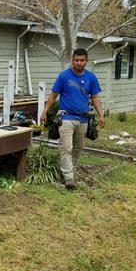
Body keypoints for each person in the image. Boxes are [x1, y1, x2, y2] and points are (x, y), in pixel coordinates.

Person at [40, 48, 105, 190]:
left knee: (77, 148)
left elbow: (95, 97)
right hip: (66, 117)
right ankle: (69, 178)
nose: (79, 63)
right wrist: (44, 112)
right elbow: (53, 95)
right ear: (72, 60)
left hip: (83, 119)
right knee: (66, 148)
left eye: (82, 60)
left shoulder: (91, 78)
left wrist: (101, 115)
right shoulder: (63, 76)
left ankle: (70, 172)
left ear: (86, 61)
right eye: (76, 60)